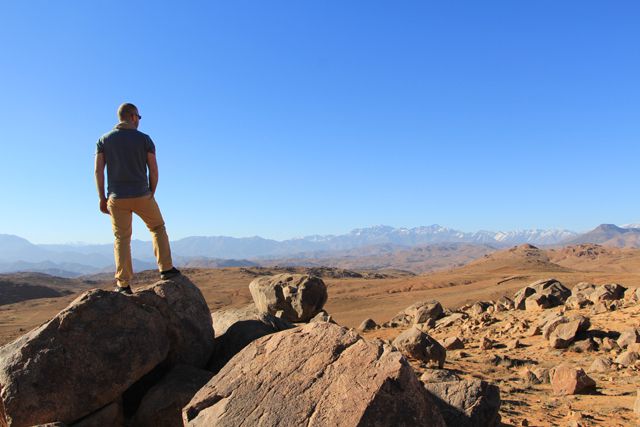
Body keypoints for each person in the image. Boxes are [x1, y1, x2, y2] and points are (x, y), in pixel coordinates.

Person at [94, 103, 180, 294]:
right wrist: (151, 192)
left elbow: (98, 171)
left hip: (117, 198)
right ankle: (166, 269)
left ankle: (123, 284)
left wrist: (102, 198)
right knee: (157, 228)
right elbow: (154, 170)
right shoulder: (145, 140)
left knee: (121, 238)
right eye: (139, 117)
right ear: (132, 117)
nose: (139, 120)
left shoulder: (104, 140)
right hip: (142, 195)